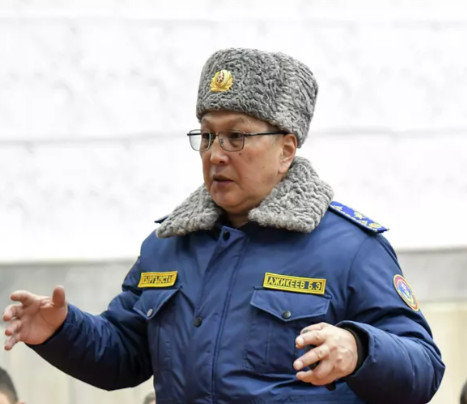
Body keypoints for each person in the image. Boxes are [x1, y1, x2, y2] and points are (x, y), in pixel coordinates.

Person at [3, 48, 444, 403]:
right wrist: (62, 330)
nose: (216, 154)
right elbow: (124, 356)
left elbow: (424, 366)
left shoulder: (349, 248)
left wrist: (360, 349)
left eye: (237, 136)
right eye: (208, 135)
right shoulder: (168, 245)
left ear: (286, 149)